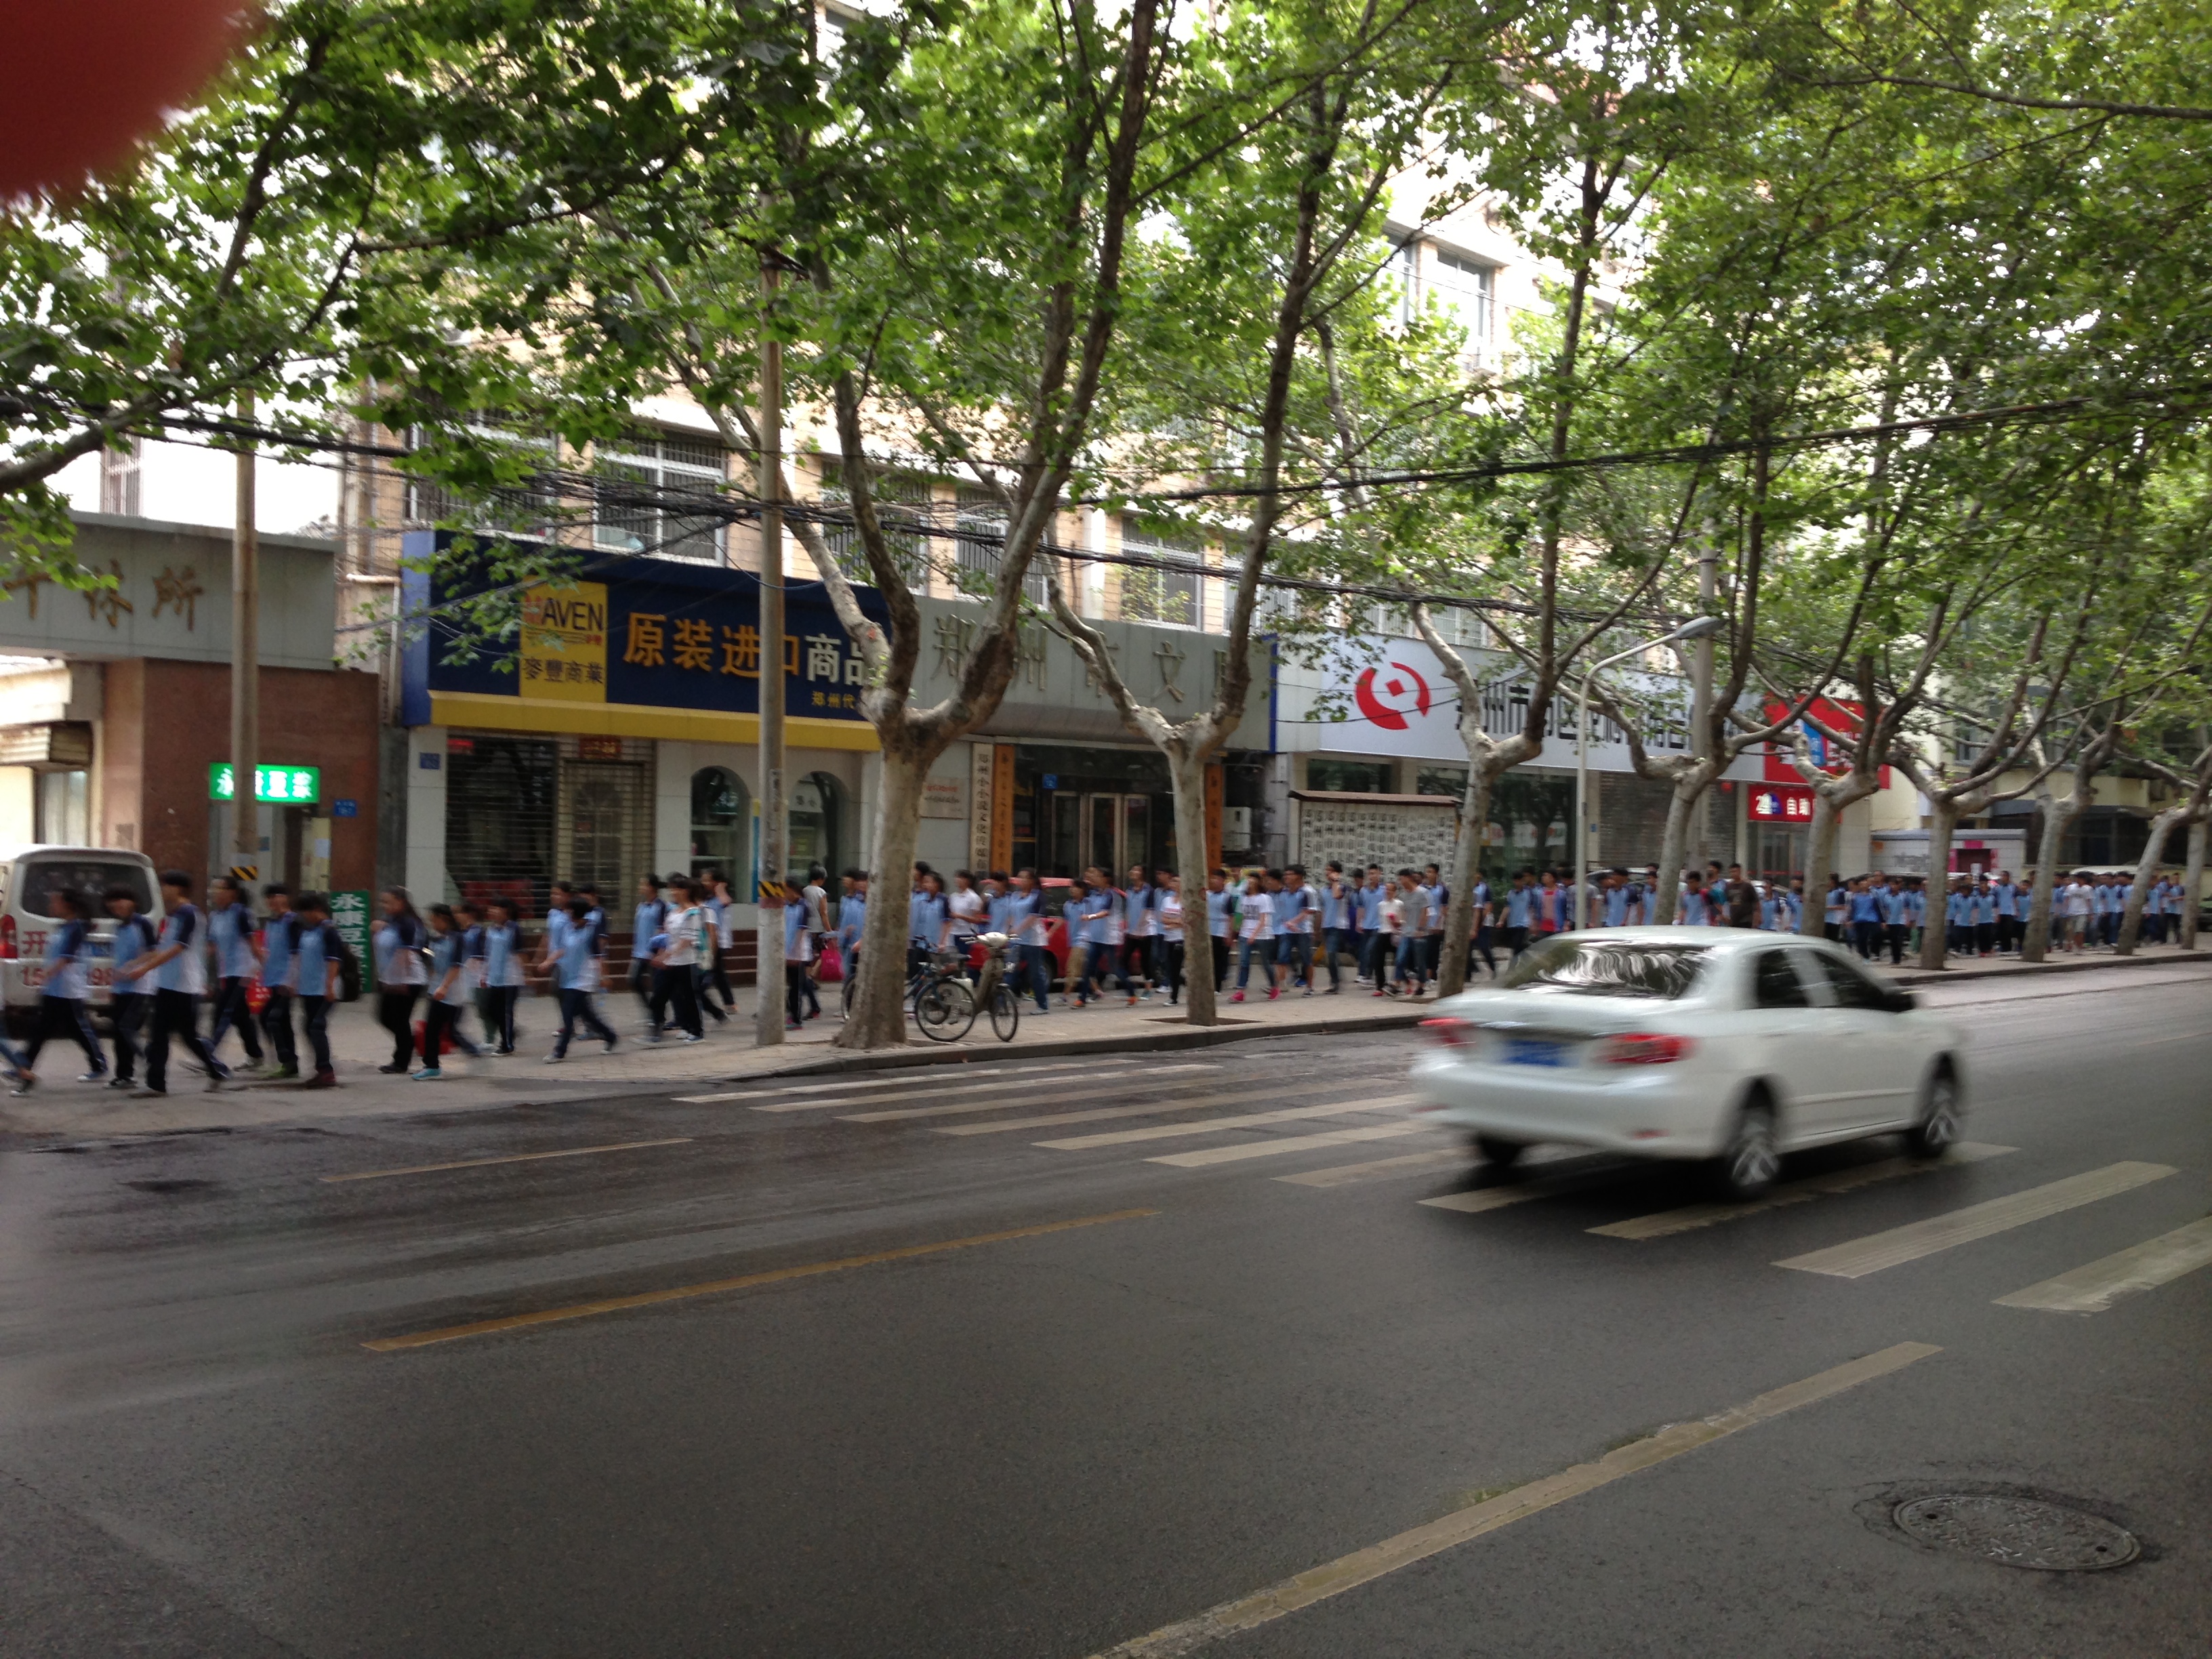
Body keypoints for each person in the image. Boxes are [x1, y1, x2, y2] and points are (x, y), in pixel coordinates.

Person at [123, 869, 228, 1096]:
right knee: (160, 1034)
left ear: (177, 888)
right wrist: (137, 963)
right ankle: (157, 1084)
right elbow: (161, 949)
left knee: (187, 1036)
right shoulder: (172, 917)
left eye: (165, 886)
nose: (162, 891)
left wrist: (145, 969)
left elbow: (178, 948)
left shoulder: (190, 914)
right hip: (167, 984)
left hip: (184, 986)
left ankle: (215, 1069)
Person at [14, 886, 106, 1092]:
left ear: (68, 905)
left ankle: (99, 1064)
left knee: (79, 1029)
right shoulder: (64, 927)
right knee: (41, 1028)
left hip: (69, 989)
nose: (51, 905)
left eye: (55, 902)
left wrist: (44, 976)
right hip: (54, 988)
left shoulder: (78, 928)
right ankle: (23, 1067)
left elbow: (66, 958)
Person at [203, 875, 266, 1069]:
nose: (215, 893)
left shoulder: (241, 913)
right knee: (241, 1016)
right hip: (226, 971)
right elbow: (211, 947)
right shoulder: (214, 916)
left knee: (222, 1012)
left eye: (220, 889)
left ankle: (208, 1055)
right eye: (213, 889)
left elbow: (253, 944)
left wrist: (266, 966)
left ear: (233, 893)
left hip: (242, 970)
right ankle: (255, 1055)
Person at [546, 897, 619, 1060]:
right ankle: (610, 1036)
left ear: (576, 912)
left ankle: (560, 1051)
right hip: (568, 977)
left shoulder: (591, 931)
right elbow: (562, 950)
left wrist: (604, 977)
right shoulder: (568, 929)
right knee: (587, 1015)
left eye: (569, 910)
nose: (566, 913)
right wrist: (549, 961)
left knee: (568, 1013)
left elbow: (599, 956)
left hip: (583, 979)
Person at [415, 905, 482, 1079]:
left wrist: (444, 986)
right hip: (436, 988)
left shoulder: (458, 939)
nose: (432, 924)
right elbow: (430, 958)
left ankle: (435, 1065)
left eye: (434, 920)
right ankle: (432, 1065)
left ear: (443, 919)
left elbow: (456, 966)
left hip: (452, 991)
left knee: (445, 1029)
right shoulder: (436, 939)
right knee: (434, 1029)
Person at [285, 891, 343, 1087]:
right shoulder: (308, 930)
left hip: (325, 989)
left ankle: (327, 1071)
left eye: (306, 912)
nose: (304, 916)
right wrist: (294, 982)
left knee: (317, 1026)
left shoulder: (329, 931)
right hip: (309, 989)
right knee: (308, 1027)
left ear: (317, 910)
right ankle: (321, 1067)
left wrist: (329, 985)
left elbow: (334, 960)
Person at [104, 884, 159, 1090]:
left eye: (121, 901)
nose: (117, 906)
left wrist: (132, 966)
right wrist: (113, 984)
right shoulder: (119, 927)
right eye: (113, 904)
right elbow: (117, 958)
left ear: (132, 902)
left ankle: (148, 1060)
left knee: (126, 1029)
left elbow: (154, 952)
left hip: (139, 987)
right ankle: (124, 1075)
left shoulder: (142, 924)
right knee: (118, 1033)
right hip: (121, 988)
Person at [373, 887, 429, 1073]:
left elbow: (406, 955)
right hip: (389, 978)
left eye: (388, 902)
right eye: (383, 902)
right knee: (384, 1017)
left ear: (400, 902)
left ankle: (401, 1061)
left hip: (408, 979)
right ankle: (410, 1043)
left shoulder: (407, 923)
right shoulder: (391, 921)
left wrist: (402, 981)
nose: (384, 906)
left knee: (399, 1019)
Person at [650, 882, 705, 1042]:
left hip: (686, 962)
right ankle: (659, 1028)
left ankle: (696, 1031)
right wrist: (662, 954)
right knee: (659, 996)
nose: (673, 892)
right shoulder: (673, 911)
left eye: (676, 889)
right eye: (672, 889)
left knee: (689, 997)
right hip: (671, 962)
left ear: (686, 891)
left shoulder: (693, 913)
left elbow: (687, 940)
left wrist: (667, 955)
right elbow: (668, 937)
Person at [258, 883, 300, 1080]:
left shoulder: (292, 921)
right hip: (273, 979)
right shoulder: (272, 922)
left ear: (286, 898)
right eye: (270, 897)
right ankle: (288, 1062)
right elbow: (268, 950)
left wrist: (291, 980)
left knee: (273, 1018)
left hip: (287, 980)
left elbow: (296, 954)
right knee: (277, 1020)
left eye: (278, 896)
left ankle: (288, 1061)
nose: (273, 900)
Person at [476, 896, 525, 1054]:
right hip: (494, 977)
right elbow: (488, 954)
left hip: (510, 977)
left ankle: (507, 1045)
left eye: (496, 908)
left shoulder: (513, 929)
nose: (492, 911)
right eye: (492, 908)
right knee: (490, 1009)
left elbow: (519, 954)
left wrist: (525, 974)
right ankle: (509, 1031)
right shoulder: (490, 930)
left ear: (506, 912)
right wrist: (484, 974)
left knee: (505, 1011)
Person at [1008, 869, 1052, 1014]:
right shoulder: (1014, 896)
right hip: (1016, 941)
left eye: (1024, 878)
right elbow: (1012, 915)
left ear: (1032, 881)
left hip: (1033, 941)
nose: (1020, 880)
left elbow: (1033, 918)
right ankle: (1004, 1002)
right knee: (1009, 970)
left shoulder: (1037, 896)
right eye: (1019, 877)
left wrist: (1018, 930)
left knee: (1035, 974)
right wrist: (1009, 930)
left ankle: (1042, 1005)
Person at [628, 874, 668, 1027]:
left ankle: (659, 1017)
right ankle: (652, 1011)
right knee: (634, 980)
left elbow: (661, 930)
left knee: (657, 986)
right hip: (640, 951)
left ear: (651, 887)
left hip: (654, 952)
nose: (640, 887)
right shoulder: (641, 906)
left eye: (643, 884)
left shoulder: (661, 906)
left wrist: (657, 950)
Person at [1276, 865, 1319, 997]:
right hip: (1287, 931)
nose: (1286, 877)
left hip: (1303, 931)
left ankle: (1310, 986)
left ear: (1299, 876)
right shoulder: (1284, 892)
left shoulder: (1308, 891)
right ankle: (1281, 985)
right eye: (1286, 874)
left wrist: (1294, 922)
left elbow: (1309, 910)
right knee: (1282, 957)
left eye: (1290, 874)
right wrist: (1285, 923)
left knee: (1307, 960)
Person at [1230, 873, 1274, 1003]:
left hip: (1263, 935)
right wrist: (1238, 933)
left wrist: (1254, 935)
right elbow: (1242, 917)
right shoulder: (1243, 898)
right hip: (1245, 934)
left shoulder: (1264, 898)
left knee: (1265, 963)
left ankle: (1274, 986)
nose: (1249, 883)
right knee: (1243, 963)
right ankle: (1241, 991)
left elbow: (1263, 920)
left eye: (1252, 881)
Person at [909, 869, 950, 984]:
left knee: (935, 972)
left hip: (935, 943)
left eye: (928, 882)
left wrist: (942, 942)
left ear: (937, 884)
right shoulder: (921, 899)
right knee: (916, 970)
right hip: (919, 941)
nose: (925, 884)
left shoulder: (943, 900)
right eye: (925, 882)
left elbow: (947, 923)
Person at [1123, 863, 1157, 999]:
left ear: (1142, 873)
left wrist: (1139, 929)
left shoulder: (1149, 890)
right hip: (1131, 931)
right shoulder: (1130, 890)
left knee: (1145, 961)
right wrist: (1127, 925)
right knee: (1124, 959)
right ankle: (1131, 986)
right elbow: (1129, 909)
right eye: (1132, 869)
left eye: (1136, 870)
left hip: (1145, 931)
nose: (1133, 872)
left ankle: (1148, 989)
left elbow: (1147, 911)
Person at [783, 888, 815, 1030]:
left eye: (786, 891)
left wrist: (795, 952)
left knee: (796, 988)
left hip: (798, 952)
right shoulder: (786, 905)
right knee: (792, 986)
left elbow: (801, 931)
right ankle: (793, 1013)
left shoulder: (803, 906)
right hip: (787, 950)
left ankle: (796, 1019)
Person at [1318, 861, 1350, 994]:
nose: (1328, 873)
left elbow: (1337, 896)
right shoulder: (1323, 890)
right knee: (1330, 956)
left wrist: (1336, 881)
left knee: (1331, 954)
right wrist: (1320, 927)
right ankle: (1336, 979)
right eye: (1327, 870)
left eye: (1331, 870)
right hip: (1327, 925)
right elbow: (1322, 909)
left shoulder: (1342, 887)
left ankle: (1335, 982)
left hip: (1338, 925)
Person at [1157, 871, 1187, 1006]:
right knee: (1168, 966)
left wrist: (1172, 923)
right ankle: (1184, 984)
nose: (1173, 884)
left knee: (1175, 968)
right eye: (1173, 881)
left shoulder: (1186, 902)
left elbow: (1185, 921)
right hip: (1168, 938)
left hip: (1181, 938)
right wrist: (1175, 922)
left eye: (1176, 882)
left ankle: (1174, 997)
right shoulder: (1167, 900)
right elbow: (1162, 918)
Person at [1355, 865, 1387, 983]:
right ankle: (1365, 973)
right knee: (1365, 950)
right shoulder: (1363, 891)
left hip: (1379, 925)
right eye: (1370, 874)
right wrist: (1359, 922)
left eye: (1374, 873)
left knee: (1371, 949)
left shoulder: (1384, 890)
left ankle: (1368, 974)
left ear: (1380, 874)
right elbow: (1361, 907)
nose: (1372, 876)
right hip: (1367, 924)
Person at [1206, 869, 1236, 995]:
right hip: (1208, 930)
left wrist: (1230, 935)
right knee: (1208, 960)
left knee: (1219, 961)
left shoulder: (1228, 897)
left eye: (1216, 879)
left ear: (1223, 881)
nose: (1213, 881)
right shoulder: (1207, 894)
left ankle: (1217, 987)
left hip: (1221, 931)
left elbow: (1231, 917)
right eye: (1212, 878)